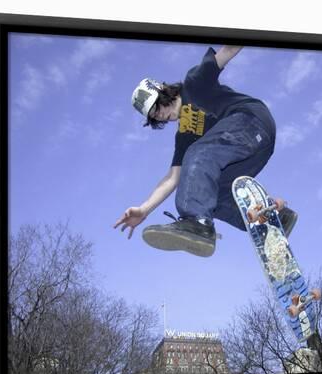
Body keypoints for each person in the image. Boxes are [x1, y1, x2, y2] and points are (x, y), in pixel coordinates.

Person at [114, 45, 297, 257]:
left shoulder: (194, 84)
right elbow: (173, 178)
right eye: (154, 118)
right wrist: (144, 209)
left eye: (157, 108)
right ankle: (272, 220)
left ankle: (197, 222)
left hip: (251, 121)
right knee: (212, 196)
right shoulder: (184, 134)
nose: (160, 116)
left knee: (198, 153)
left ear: (163, 91)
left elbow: (226, 53)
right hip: (253, 152)